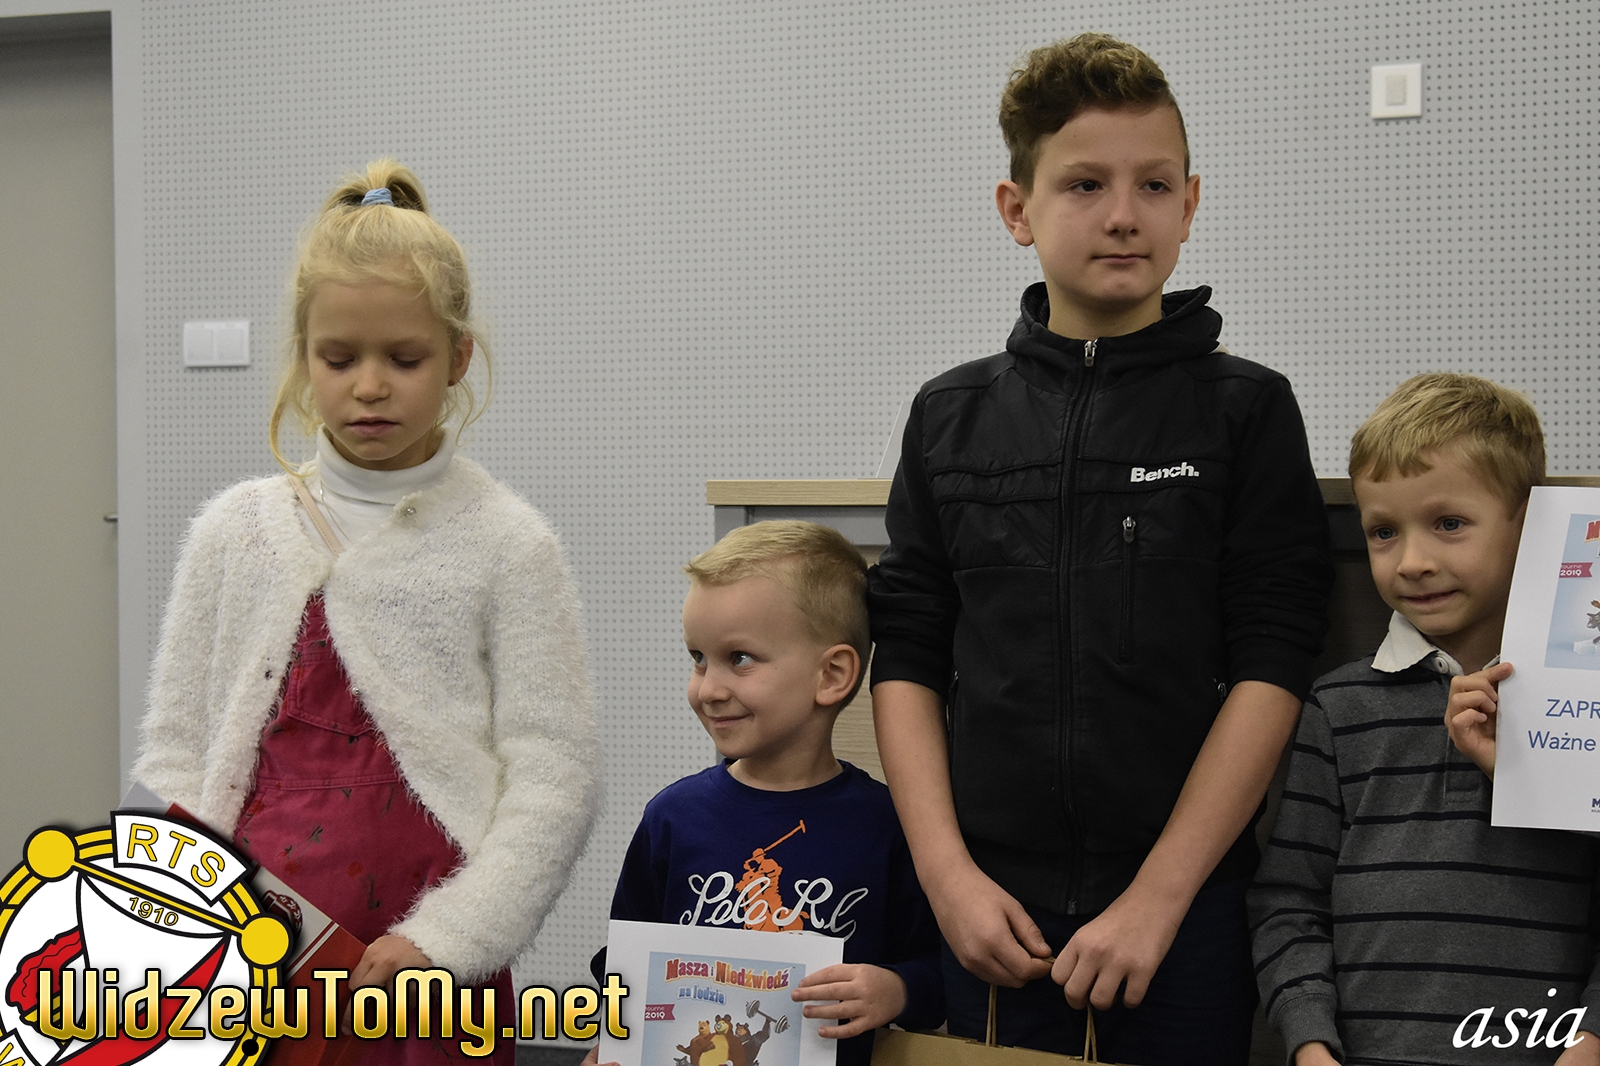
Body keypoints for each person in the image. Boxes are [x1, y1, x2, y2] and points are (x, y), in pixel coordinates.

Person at [864, 32, 1332, 1065]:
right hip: (989, 914)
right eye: (1084, 184)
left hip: (1182, 909)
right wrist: (946, 881)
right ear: (1016, 209)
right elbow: (907, 653)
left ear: (1190, 204)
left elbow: (1273, 657)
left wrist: (1159, 899)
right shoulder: (948, 417)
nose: (1124, 214)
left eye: (1153, 185)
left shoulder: (1246, 410)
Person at [136, 160, 601, 1063]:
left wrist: (452, 938)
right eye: (340, 359)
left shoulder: (510, 543)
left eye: (405, 359)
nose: (371, 386)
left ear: (458, 359)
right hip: (248, 950)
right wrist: (171, 918)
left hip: (425, 964)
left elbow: (556, 774)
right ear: (304, 359)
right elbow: (177, 751)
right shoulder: (234, 531)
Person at [1250, 373, 1600, 1065]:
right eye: (1384, 532)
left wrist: (1592, 1038)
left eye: (1449, 524)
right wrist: (1309, 1041)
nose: (1412, 562)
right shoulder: (1339, 707)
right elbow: (1289, 901)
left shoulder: (1585, 713)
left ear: (1528, 525)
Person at [584, 521, 942, 1066]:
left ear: (832, 674)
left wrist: (896, 989)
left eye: (740, 659)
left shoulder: (889, 824)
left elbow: (938, 973)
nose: (708, 688)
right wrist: (612, 1041)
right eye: (698, 657)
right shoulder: (672, 817)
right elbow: (624, 966)